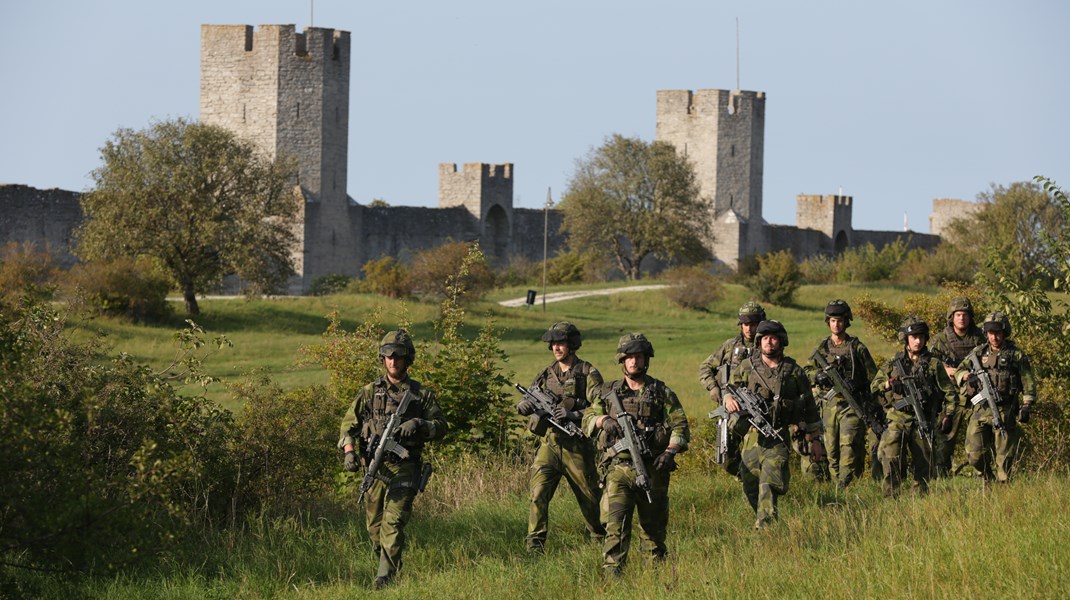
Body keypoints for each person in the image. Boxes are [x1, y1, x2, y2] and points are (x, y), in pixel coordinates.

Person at [338, 329, 448, 590]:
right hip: (375, 467)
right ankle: (388, 565)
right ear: (383, 359)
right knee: (374, 528)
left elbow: (442, 427)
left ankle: (384, 578)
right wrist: (350, 452)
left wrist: (420, 423)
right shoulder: (369, 392)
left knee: (393, 521)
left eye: (399, 357)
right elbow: (347, 426)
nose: (394, 361)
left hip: (405, 466)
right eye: (389, 357)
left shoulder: (421, 394)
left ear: (408, 359)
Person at [583, 333, 689, 577]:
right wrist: (603, 420)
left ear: (646, 359)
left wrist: (670, 452)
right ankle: (612, 579)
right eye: (629, 357)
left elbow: (680, 425)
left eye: (638, 357)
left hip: (653, 470)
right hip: (619, 470)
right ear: (622, 361)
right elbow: (587, 419)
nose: (634, 362)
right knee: (615, 528)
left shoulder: (661, 392)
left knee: (653, 533)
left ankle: (657, 581)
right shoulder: (608, 392)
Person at [515, 321, 606, 553]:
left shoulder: (587, 372)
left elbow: (601, 407)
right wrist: (525, 406)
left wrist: (574, 413)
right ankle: (534, 547)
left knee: (589, 498)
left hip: (577, 446)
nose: (557, 348)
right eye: (553, 343)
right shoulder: (547, 373)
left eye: (561, 343)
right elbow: (530, 395)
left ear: (572, 344)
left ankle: (599, 539)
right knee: (538, 494)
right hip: (550, 444)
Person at [725, 320, 824, 528]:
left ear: (782, 341)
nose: (769, 342)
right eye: (765, 338)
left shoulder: (794, 371)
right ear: (759, 342)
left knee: (769, 482)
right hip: (751, 435)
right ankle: (764, 518)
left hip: (778, 435)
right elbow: (730, 389)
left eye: (774, 338)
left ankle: (765, 528)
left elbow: (810, 407)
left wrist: (815, 440)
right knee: (750, 484)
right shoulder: (747, 367)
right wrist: (728, 399)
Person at [871, 317, 957, 496]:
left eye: (921, 337)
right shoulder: (894, 364)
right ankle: (890, 497)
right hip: (898, 418)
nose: (918, 341)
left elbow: (949, 392)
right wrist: (889, 384)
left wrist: (948, 415)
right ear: (906, 339)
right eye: (913, 337)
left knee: (924, 464)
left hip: (923, 419)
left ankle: (919, 499)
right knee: (891, 457)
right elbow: (875, 385)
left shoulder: (933, 364)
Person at [955, 312, 1036, 483]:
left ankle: (1003, 492)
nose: (994, 337)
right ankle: (986, 477)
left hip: (1005, 410)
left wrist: (1027, 405)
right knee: (974, 454)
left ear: (1005, 332)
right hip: (980, 410)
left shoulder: (1016, 355)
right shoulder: (977, 353)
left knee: (1005, 459)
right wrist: (967, 376)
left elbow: (1028, 381)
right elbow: (960, 370)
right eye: (991, 333)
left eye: (998, 332)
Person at [807, 299, 879, 489]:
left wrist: (862, 389)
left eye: (839, 320)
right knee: (831, 451)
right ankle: (837, 490)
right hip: (829, 407)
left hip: (852, 405)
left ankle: (846, 487)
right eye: (832, 320)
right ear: (828, 322)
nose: (836, 324)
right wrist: (818, 375)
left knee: (849, 448)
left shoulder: (857, 348)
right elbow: (806, 372)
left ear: (847, 321)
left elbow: (875, 377)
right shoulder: (822, 348)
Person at [698, 301, 766, 479]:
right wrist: (714, 388)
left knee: (761, 455)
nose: (749, 329)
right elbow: (705, 367)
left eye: (753, 324)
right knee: (725, 457)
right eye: (745, 324)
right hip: (732, 409)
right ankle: (744, 478)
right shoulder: (730, 346)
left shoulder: (768, 345)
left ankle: (756, 485)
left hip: (760, 410)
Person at [928, 297, 985, 477]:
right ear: (951, 317)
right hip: (951, 396)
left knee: (980, 437)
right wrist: (947, 370)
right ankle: (941, 476)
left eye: (965, 315)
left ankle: (982, 474)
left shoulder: (979, 338)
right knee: (945, 439)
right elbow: (928, 364)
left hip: (976, 395)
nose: (962, 318)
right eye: (958, 315)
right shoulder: (940, 340)